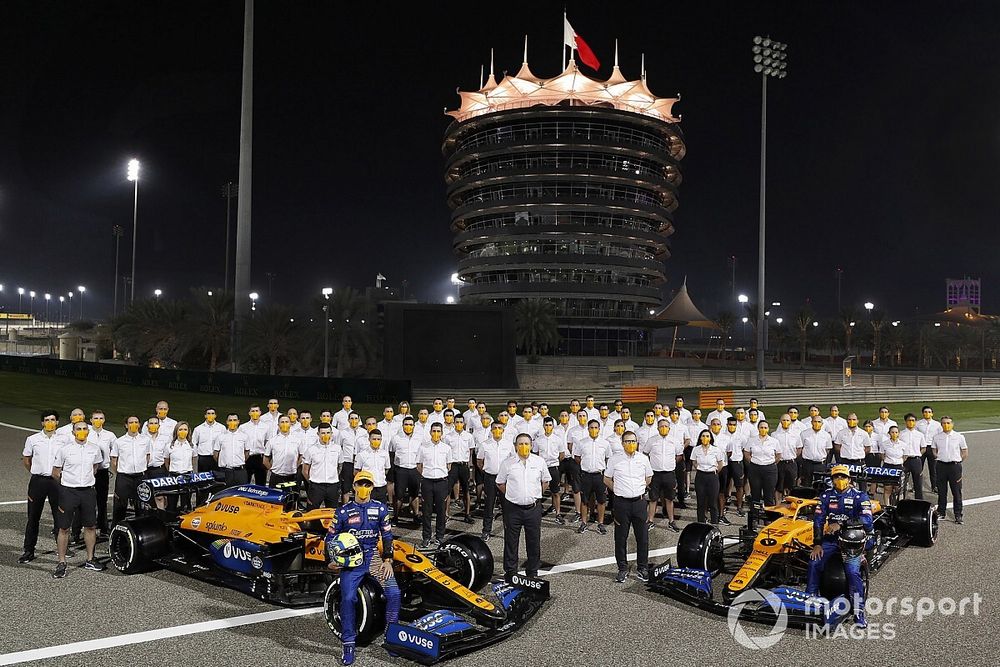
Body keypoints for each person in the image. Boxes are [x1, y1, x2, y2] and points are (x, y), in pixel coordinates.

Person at [327, 470, 400, 666]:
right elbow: (330, 538)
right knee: (348, 598)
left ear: (372, 488)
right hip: (351, 561)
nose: (363, 488)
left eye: (367, 485)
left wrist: (388, 560)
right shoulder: (342, 511)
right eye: (360, 484)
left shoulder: (381, 509)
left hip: (374, 557)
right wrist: (333, 559)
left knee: (394, 593)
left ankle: (392, 637)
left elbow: (387, 537)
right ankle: (348, 643)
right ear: (354, 486)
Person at [806, 465, 873, 628]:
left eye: (843, 477)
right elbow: (818, 520)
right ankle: (810, 602)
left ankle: (859, 611)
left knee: (852, 572)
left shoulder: (860, 496)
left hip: (853, 541)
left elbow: (867, 521)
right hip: (831, 540)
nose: (840, 480)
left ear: (849, 479)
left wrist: (841, 524)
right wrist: (817, 544)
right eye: (836, 477)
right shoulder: (826, 496)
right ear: (832, 479)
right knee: (814, 562)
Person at [52, 421, 105, 577]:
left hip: (88, 492)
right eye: (78, 429)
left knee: (90, 526)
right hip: (69, 492)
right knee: (64, 528)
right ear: (73, 432)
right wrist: (68, 485)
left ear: (88, 432)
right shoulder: (65, 450)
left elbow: (95, 468)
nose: (81, 431)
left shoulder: (95, 449)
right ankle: (61, 562)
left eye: (84, 429)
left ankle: (90, 559)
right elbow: (55, 472)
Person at [497, 434, 550, 579]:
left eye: (527, 444)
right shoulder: (507, 463)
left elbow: (546, 481)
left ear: (531, 445)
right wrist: (512, 495)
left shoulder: (539, 462)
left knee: (533, 541)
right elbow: (500, 482)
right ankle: (510, 572)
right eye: (520, 444)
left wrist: (535, 494)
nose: (524, 447)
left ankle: (532, 572)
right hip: (513, 509)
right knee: (511, 541)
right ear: (515, 446)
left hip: (533, 509)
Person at [604, 430, 653, 583]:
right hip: (621, 504)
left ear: (637, 442)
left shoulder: (643, 459)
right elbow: (606, 479)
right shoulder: (614, 459)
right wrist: (618, 490)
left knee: (642, 538)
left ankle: (642, 568)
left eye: (633, 441)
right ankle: (622, 568)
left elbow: (649, 477)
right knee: (620, 538)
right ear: (622, 443)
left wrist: (638, 489)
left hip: (639, 503)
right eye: (627, 441)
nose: (630, 444)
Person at [19, 410, 65, 564]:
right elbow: (26, 459)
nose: (50, 422)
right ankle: (28, 550)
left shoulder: (65, 440)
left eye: (53, 419)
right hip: (38, 482)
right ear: (42, 423)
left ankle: (62, 551)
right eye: (47, 420)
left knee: (59, 517)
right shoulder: (32, 439)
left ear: (57, 422)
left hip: (57, 481)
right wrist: (35, 471)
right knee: (33, 517)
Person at [642, 419, 684, 532]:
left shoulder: (674, 441)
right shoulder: (652, 440)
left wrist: (671, 463)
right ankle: (650, 521)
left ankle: (671, 521)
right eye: (661, 426)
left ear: (669, 429)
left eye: (666, 426)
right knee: (653, 499)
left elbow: (679, 455)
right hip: (655, 474)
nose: (663, 428)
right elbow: (645, 453)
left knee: (669, 499)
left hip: (669, 474)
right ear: (657, 428)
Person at [477, 422, 514, 541]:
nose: (497, 430)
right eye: (495, 428)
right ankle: (486, 530)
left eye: (499, 428)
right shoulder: (485, 445)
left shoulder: (509, 444)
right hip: (490, 478)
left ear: (503, 430)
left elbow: (514, 460)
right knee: (489, 505)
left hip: (504, 479)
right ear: (491, 430)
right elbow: (479, 461)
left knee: (506, 505)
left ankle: (509, 530)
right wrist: (487, 471)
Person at [416, 423, 451, 548]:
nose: (436, 433)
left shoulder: (446, 448)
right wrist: (427, 474)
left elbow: (449, 466)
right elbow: (419, 465)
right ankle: (426, 537)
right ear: (430, 432)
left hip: (441, 482)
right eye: (434, 431)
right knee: (427, 510)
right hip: (427, 482)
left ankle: (440, 536)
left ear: (442, 433)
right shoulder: (423, 447)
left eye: (438, 431)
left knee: (441, 510)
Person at [111, 415, 151, 526]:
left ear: (139, 425)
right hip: (124, 477)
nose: (134, 424)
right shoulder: (119, 442)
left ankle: (141, 530)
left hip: (140, 477)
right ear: (126, 425)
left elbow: (147, 457)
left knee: (142, 506)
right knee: (120, 506)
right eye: (131, 422)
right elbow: (114, 460)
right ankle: (116, 529)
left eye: (136, 422)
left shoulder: (146, 440)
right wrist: (120, 473)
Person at [576, 420, 612, 535]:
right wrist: (585, 466)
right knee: (585, 500)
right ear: (588, 429)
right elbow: (577, 457)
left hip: (599, 476)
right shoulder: (582, 443)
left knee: (601, 501)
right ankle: (584, 523)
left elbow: (608, 458)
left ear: (599, 429)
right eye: (591, 427)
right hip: (586, 475)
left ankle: (600, 523)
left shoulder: (605, 443)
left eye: (596, 427)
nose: (594, 430)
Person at [932, 416, 968, 524]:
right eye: (943, 423)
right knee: (942, 491)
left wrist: (958, 461)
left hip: (954, 467)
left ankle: (958, 515)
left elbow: (965, 451)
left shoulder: (959, 437)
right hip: (941, 466)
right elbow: (934, 449)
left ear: (952, 424)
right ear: (941, 424)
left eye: (948, 423)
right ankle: (941, 512)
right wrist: (938, 457)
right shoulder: (937, 437)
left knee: (956, 492)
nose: (946, 425)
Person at [532, 417, 568, 523]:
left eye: (550, 425)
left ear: (553, 426)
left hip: (553, 467)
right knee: (539, 491)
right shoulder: (538, 440)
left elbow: (561, 455)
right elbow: (535, 454)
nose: (548, 427)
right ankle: (535, 512)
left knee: (555, 492)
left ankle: (558, 514)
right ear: (543, 426)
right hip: (541, 469)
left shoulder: (557, 439)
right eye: (546, 425)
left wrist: (555, 462)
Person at [86, 410, 115, 536]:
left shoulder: (110, 435)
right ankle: (84, 525)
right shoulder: (86, 433)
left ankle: (103, 527)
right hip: (87, 471)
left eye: (101, 418)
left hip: (102, 472)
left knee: (102, 500)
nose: (98, 420)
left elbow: (115, 452)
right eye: (95, 418)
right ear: (91, 420)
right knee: (86, 499)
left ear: (104, 420)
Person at [390, 416, 423, 523]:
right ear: (402, 425)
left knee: (414, 494)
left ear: (414, 426)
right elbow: (391, 453)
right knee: (399, 495)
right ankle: (395, 516)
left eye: (410, 424)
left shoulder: (419, 438)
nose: (408, 426)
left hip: (414, 469)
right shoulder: (396, 438)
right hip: (401, 470)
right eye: (406, 424)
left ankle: (416, 515)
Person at [690, 430, 726, 524]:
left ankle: (714, 524)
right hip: (700, 477)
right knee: (700, 502)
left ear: (710, 438)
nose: (705, 438)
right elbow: (694, 461)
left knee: (713, 503)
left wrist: (714, 471)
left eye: (707, 436)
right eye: (703, 436)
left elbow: (720, 463)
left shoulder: (716, 450)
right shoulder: (696, 449)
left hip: (712, 477)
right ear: (700, 438)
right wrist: (699, 468)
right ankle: (701, 523)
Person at [303, 423, 342, 509]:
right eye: (323, 433)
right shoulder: (311, 450)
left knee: (332, 513)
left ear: (331, 434)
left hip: (332, 486)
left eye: (328, 433)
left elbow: (340, 466)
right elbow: (305, 470)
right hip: (316, 486)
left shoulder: (338, 449)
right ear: (318, 434)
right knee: (312, 513)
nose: (326, 435)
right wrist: (312, 482)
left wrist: (334, 477)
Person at [444, 415, 475, 523]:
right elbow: (446, 452)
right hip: (452, 466)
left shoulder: (469, 436)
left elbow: (470, 451)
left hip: (463, 465)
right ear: (453, 423)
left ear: (464, 423)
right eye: (456, 422)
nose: (458, 424)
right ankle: (446, 515)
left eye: (461, 422)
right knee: (447, 491)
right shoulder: (448, 437)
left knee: (466, 490)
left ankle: (467, 514)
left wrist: (469, 465)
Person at [744, 421, 780, 505]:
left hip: (770, 469)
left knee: (769, 494)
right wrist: (753, 461)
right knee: (755, 493)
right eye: (761, 427)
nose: (763, 429)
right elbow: (746, 453)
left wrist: (771, 463)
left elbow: (778, 455)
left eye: (765, 428)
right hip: (755, 469)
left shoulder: (774, 441)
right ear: (758, 428)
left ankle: (769, 514)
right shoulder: (751, 440)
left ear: (768, 429)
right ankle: (755, 515)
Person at [354, 429, 391, 503]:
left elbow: (386, 469)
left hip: (381, 487)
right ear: (369, 439)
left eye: (378, 439)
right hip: (367, 488)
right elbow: (356, 472)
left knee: (381, 510)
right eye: (374, 439)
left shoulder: (385, 454)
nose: (376, 441)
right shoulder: (362, 455)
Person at [721, 417, 748, 517]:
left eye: (734, 425)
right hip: (726, 463)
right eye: (730, 424)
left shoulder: (741, 437)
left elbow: (744, 450)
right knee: (724, 486)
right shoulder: (722, 436)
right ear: (727, 425)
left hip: (737, 462)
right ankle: (722, 507)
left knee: (739, 486)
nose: (732, 426)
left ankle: (739, 507)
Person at [165, 422, 195, 511]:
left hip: (187, 476)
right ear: (176, 431)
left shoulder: (192, 446)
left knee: (185, 504)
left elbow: (194, 460)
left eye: (185, 429)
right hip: (173, 477)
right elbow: (166, 461)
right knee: (171, 503)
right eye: (180, 429)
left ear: (188, 431)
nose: (183, 431)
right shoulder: (169, 446)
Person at [214, 414, 250, 486]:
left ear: (238, 422)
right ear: (227, 422)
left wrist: (239, 461)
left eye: (234, 420)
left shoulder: (244, 436)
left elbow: (247, 452)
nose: (232, 422)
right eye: (230, 420)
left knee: (240, 494)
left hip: (240, 472)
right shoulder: (221, 437)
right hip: (225, 471)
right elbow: (215, 454)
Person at [264, 416, 300, 488]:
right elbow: (265, 460)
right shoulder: (272, 441)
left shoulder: (297, 440)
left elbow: (301, 456)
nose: (284, 424)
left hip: (292, 477)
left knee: (292, 498)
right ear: (278, 425)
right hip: (276, 477)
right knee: (274, 498)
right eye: (282, 422)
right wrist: (273, 470)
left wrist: (295, 467)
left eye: (286, 422)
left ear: (290, 424)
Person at [239, 404, 270, 486]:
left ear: (260, 412)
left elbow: (267, 442)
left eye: (256, 411)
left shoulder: (266, 427)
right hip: (247, 457)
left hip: (260, 458)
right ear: (249, 413)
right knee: (245, 483)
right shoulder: (243, 427)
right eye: (253, 411)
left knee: (261, 484)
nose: (255, 413)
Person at [898, 413, 927, 499]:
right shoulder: (901, 434)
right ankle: (901, 501)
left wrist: (918, 454)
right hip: (904, 460)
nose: (911, 422)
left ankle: (919, 502)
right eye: (909, 420)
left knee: (918, 483)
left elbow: (923, 448)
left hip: (916, 460)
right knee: (902, 483)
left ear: (915, 422)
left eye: (913, 420)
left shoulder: (920, 435)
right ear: (905, 422)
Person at [799, 417, 833, 487]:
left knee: (819, 485)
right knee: (806, 484)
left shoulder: (826, 436)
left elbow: (828, 449)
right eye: (815, 421)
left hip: (820, 464)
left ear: (822, 424)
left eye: (819, 422)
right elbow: (801, 447)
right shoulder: (804, 434)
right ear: (811, 422)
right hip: (807, 463)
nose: (817, 423)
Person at [773, 414, 801, 501]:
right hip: (779, 463)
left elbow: (799, 448)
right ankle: (778, 505)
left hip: (791, 463)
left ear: (790, 422)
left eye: (787, 420)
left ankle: (790, 505)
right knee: (778, 486)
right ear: (780, 422)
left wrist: (792, 457)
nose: (786, 422)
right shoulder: (775, 435)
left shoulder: (796, 435)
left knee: (791, 486)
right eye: (783, 420)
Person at [916, 406, 942, 494]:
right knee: (918, 468)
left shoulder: (937, 424)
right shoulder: (918, 423)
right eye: (925, 412)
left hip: (932, 447)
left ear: (932, 413)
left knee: (933, 468)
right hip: (921, 447)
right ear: (923, 413)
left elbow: (940, 436)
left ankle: (934, 486)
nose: (927, 413)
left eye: (929, 412)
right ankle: (916, 486)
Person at [192, 408, 224, 475]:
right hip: (203, 458)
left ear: (215, 415)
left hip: (217, 458)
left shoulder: (221, 428)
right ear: (205, 416)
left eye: (212, 413)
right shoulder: (198, 429)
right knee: (203, 478)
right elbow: (193, 443)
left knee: (218, 478)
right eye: (208, 413)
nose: (210, 415)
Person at [880, 426, 906, 504]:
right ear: (889, 433)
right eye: (892, 432)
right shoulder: (884, 444)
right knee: (887, 488)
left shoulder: (903, 444)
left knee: (898, 489)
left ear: (898, 433)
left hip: (898, 467)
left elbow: (905, 456)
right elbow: (882, 455)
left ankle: (898, 506)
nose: (894, 434)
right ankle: (887, 506)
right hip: (888, 467)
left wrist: (899, 462)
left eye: (896, 432)